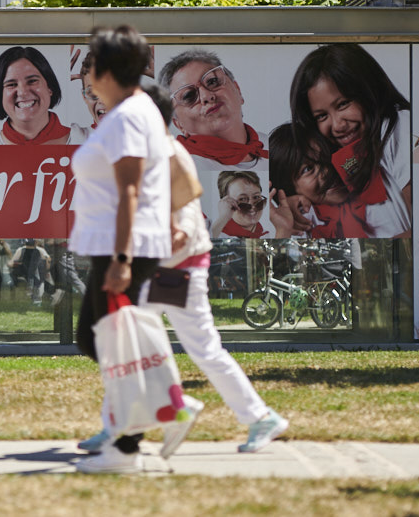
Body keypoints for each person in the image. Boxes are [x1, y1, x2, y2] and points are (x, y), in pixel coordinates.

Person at [79, 83, 289, 459]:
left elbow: (183, 224)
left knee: (189, 345)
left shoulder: (165, 152)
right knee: (126, 340)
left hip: (177, 269)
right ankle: (124, 423)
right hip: (168, 267)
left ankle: (249, 414)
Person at [68, 25, 172, 474]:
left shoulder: (130, 116)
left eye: (91, 62)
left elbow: (130, 190)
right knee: (101, 339)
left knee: (108, 341)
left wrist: (123, 259)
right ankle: (141, 421)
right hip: (111, 245)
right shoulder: (126, 112)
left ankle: (128, 447)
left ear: (105, 68)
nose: (87, 70)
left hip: (122, 247)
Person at [288, 44, 412, 238]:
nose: (337, 125)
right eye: (321, 116)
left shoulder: (398, 127)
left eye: (343, 104)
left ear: (368, 89)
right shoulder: (340, 159)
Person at [158, 49, 267, 171]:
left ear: (238, 90)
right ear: (179, 125)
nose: (206, 96)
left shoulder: (271, 144)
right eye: (188, 96)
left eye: (212, 81)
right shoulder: (176, 169)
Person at [0, 46, 89, 145]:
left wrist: (91, 83)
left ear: (50, 87)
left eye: (32, 81)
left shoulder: (86, 139)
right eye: (11, 84)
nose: (23, 92)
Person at [211, 171, 269, 239]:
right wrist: (223, 218)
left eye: (256, 197)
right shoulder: (217, 235)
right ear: (226, 202)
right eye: (242, 199)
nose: (253, 206)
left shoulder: (268, 235)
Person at [9, 239, 51, 305]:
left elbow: (11, 263)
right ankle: (36, 297)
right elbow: (48, 259)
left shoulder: (21, 250)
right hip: (34, 275)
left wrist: (15, 264)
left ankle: (34, 295)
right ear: (35, 242)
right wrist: (46, 270)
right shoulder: (40, 250)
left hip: (25, 274)